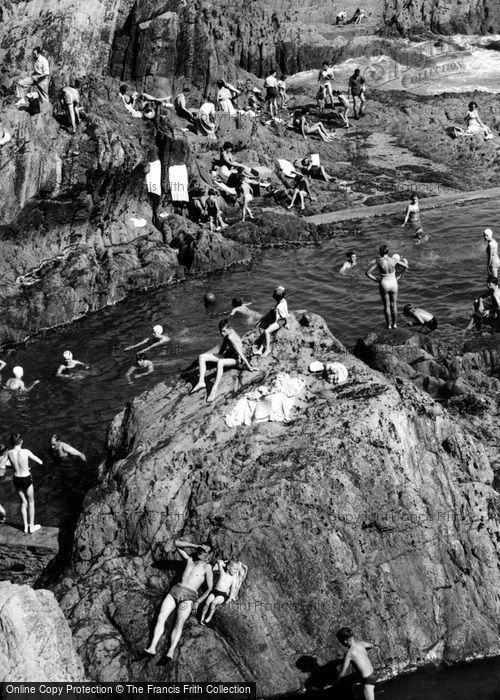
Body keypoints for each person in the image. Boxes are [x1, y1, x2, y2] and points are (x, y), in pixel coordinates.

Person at [144, 541, 213, 661]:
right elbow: (177, 543)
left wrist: (198, 602)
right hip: (175, 591)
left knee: (179, 622)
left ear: (209, 555)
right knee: (161, 616)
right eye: (201, 550)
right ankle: (152, 647)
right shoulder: (189, 560)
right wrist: (195, 545)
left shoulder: (207, 567)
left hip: (189, 596)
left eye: (205, 551)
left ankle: (170, 651)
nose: (201, 552)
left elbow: (210, 587)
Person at [191, 319, 256, 401]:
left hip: (236, 359)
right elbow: (223, 347)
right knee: (202, 357)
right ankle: (201, 382)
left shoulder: (231, 337)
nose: (222, 333)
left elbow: (240, 353)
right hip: (227, 355)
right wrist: (215, 356)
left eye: (224, 331)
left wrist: (249, 366)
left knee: (220, 362)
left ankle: (214, 388)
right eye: (221, 331)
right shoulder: (228, 334)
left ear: (229, 329)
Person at [365, 245, 409, 329]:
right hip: (394, 282)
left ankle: (388, 325)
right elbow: (406, 266)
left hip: (384, 283)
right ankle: (395, 324)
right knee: (394, 305)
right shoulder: (394, 260)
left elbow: (367, 273)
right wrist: (400, 276)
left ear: (380, 252)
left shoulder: (378, 261)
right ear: (388, 252)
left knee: (387, 306)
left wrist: (376, 280)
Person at [7, 433, 43, 535]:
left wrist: (13, 467)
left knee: (23, 502)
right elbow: (40, 462)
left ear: (11, 442)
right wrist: (28, 467)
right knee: (31, 501)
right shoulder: (26, 451)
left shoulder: (9, 453)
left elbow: (1, 465)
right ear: (21, 441)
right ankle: (31, 527)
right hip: (26, 478)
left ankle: (25, 527)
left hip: (16, 478)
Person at [337, 627, 377, 700]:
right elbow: (372, 645)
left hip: (367, 680)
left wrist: (336, 681)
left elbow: (343, 671)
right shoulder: (362, 644)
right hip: (372, 673)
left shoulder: (349, 653)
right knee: (348, 680)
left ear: (345, 642)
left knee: (342, 681)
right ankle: (355, 695)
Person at [200, 560, 244, 625]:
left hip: (222, 595)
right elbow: (219, 563)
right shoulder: (222, 573)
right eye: (235, 569)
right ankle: (202, 617)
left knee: (213, 603)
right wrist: (224, 563)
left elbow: (232, 589)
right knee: (207, 602)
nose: (236, 571)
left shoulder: (233, 579)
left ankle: (209, 618)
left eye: (237, 570)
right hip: (214, 592)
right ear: (228, 567)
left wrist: (230, 597)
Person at [254, 286, 288, 356]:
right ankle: (260, 349)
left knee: (267, 331)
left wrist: (272, 324)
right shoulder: (283, 300)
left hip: (280, 321)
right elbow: (282, 288)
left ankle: (267, 350)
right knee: (267, 332)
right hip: (281, 318)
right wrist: (279, 289)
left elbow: (279, 318)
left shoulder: (279, 307)